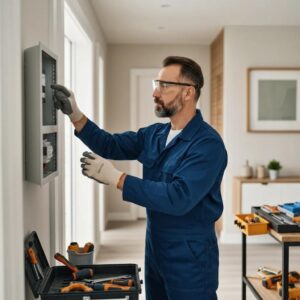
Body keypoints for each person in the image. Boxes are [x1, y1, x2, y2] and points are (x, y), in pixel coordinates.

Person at [51, 56, 227, 300]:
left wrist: (117, 178)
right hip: (155, 246)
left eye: (164, 85)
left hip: (190, 254)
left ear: (188, 92)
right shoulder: (155, 133)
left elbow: (179, 198)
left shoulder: (207, 145)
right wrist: (76, 115)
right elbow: (110, 144)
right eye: (156, 83)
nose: (155, 92)